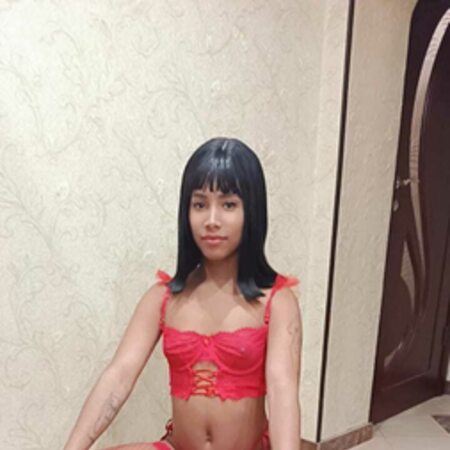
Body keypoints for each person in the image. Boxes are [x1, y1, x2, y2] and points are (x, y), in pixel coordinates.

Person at [63, 137, 303, 450]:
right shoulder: (163, 298)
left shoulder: (277, 301)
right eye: (200, 204)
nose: (212, 221)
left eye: (228, 205)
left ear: (252, 212)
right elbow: (118, 376)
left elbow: (283, 394)